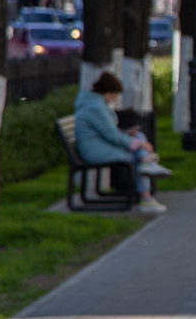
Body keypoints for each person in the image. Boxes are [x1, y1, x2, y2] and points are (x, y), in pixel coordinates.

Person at [74, 71, 172, 216]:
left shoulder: (93, 103)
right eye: (114, 94)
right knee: (136, 153)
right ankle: (146, 193)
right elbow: (112, 136)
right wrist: (139, 144)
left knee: (138, 135)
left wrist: (129, 135)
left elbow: (108, 132)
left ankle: (147, 164)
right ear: (106, 91)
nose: (114, 98)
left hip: (99, 145)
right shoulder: (95, 107)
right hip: (95, 151)